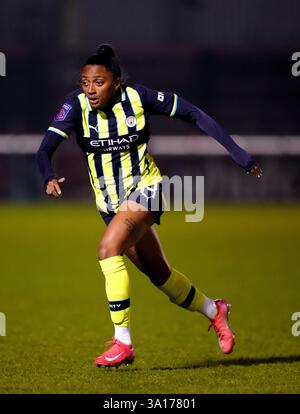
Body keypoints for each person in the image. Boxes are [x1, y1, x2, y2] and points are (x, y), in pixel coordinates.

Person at [36, 44, 262, 368]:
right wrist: (48, 176)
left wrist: (239, 153)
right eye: (85, 82)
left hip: (147, 190)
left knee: (107, 250)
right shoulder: (75, 106)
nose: (90, 89)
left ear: (115, 81)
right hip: (109, 204)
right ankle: (215, 310)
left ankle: (123, 342)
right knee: (161, 277)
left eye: (98, 82)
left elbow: (193, 113)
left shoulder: (138, 97)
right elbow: (44, 149)